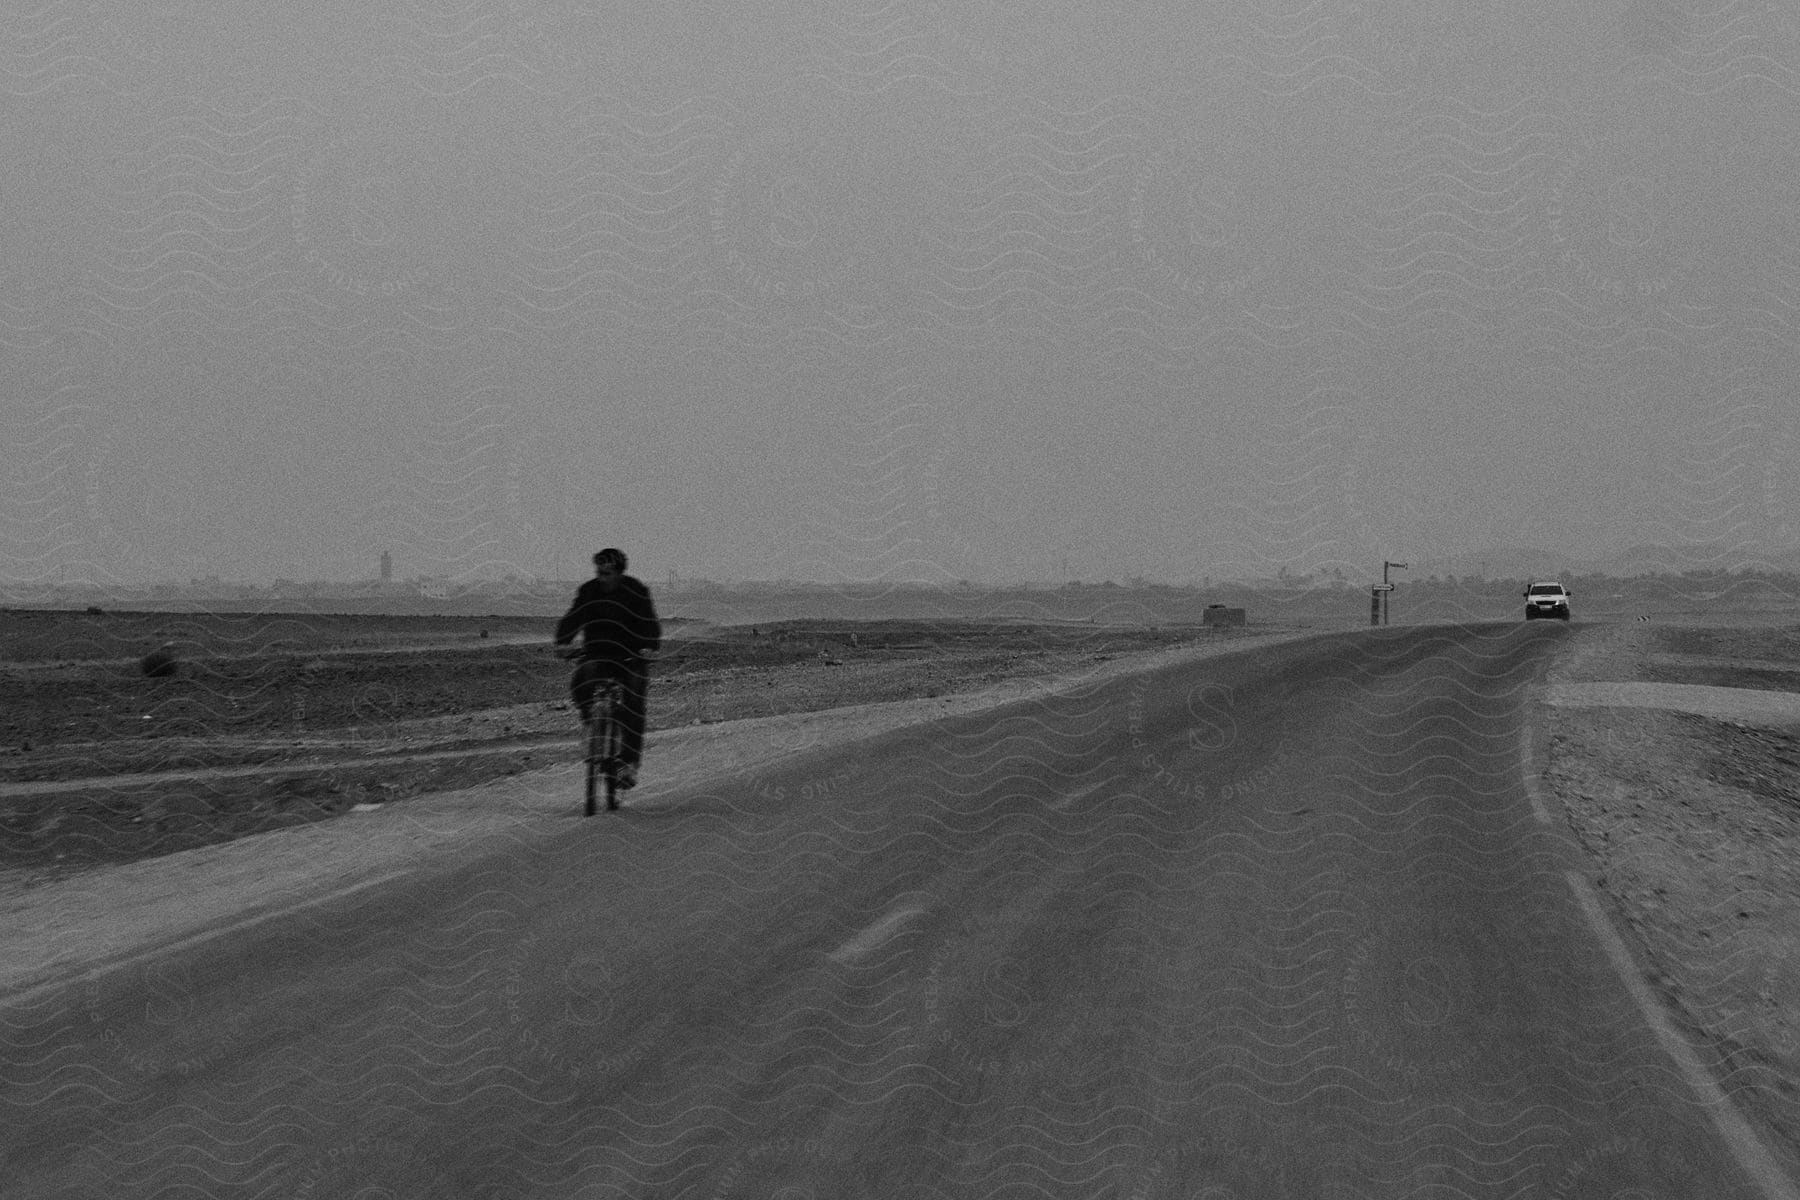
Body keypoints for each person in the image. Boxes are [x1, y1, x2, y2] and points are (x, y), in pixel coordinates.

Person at [554, 548, 661, 789]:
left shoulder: (636, 591)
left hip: (630, 656)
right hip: (597, 654)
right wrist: (563, 641)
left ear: (619, 573)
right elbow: (573, 618)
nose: (603, 578)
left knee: (634, 705)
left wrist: (650, 646)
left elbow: (650, 623)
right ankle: (591, 721)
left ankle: (627, 763)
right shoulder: (589, 591)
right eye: (600, 573)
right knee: (580, 683)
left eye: (608, 573)